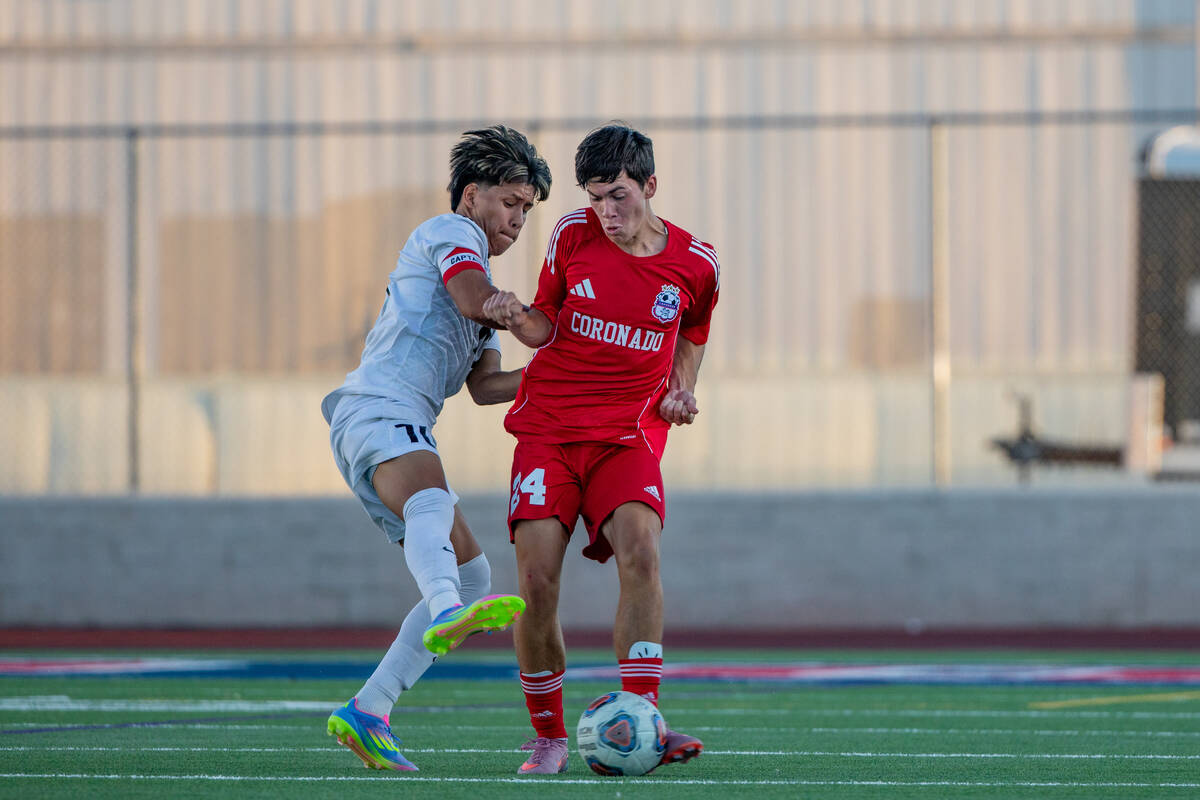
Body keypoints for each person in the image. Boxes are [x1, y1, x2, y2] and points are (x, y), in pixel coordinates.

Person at [483, 123, 720, 775]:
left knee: (642, 554)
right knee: (535, 583)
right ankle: (548, 736)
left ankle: (645, 717)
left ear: (650, 185)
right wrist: (513, 314)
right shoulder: (570, 235)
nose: (607, 213)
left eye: (618, 195)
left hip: (628, 436)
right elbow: (545, 323)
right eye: (594, 198)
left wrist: (684, 388)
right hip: (549, 431)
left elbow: (694, 330)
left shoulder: (697, 264)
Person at [321, 125, 552, 772]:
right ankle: (446, 608)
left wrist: (556, 372)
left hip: (392, 422)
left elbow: (485, 389)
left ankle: (371, 708)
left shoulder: (485, 291)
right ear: (472, 195)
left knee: (476, 571)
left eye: (528, 210)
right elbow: (471, 296)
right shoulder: (451, 235)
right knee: (433, 505)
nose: (517, 219)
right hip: (379, 408)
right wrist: (516, 313)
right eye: (511, 201)